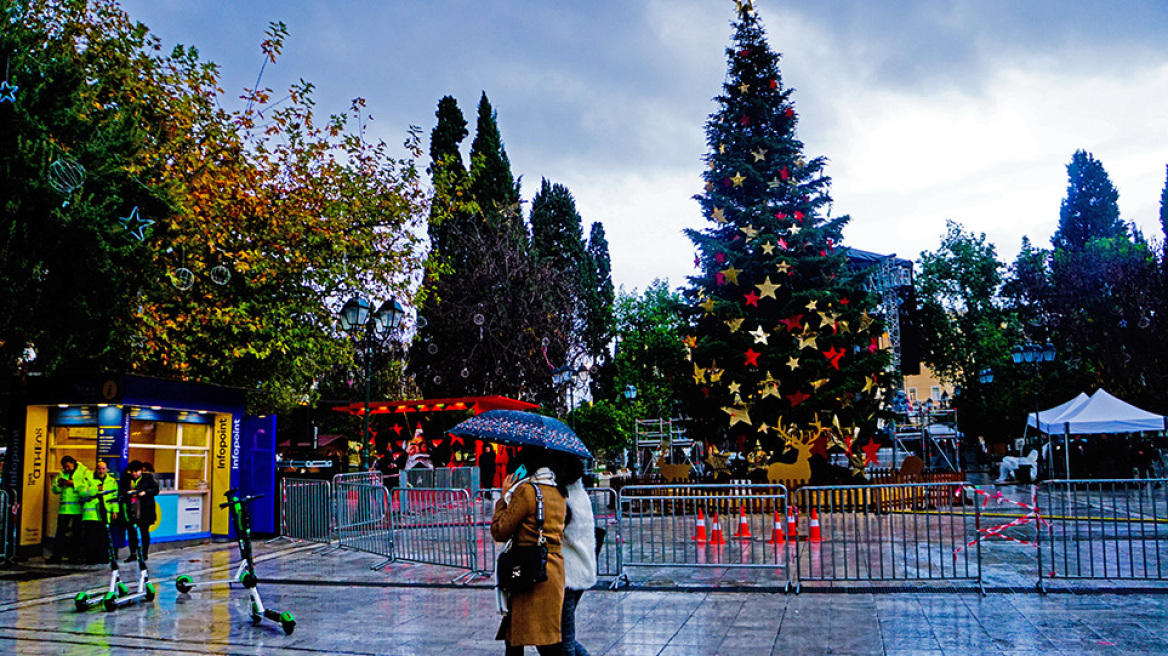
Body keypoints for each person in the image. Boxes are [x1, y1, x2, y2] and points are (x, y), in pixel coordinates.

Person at [491, 446, 566, 655]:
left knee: (518, 637)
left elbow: (500, 531)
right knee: (547, 638)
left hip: (526, 570)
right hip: (552, 570)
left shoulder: (527, 491)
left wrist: (503, 498)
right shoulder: (559, 491)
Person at [550, 452, 596, 656]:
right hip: (581, 569)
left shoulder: (563, 497)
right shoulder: (578, 491)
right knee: (561, 636)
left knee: (563, 639)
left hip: (568, 574)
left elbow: (555, 528)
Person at [47, 455, 91, 563]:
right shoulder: (62, 473)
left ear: (73, 463)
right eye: (64, 467)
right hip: (64, 508)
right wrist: (59, 485)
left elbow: (89, 485)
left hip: (77, 508)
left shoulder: (84, 471)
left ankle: (74, 556)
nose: (66, 469)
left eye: (68, 466)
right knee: (60, 533)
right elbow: (54, 489)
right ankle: (57, 556)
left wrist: (73, 484)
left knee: (76, 534)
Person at [81, 459, 119, 565]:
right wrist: (95, 490)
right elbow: (82, 492)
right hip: (91, 514)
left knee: (104, 538)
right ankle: (91, 559)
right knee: (90, 538)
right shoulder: (89, 479)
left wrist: (115, 511)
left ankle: (103, 557)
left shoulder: (111, 481)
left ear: (107, 469)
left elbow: (114, 497)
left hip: (105, 513)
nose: (101, 471)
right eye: (99, 468)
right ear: (96, 469)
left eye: (103, 468)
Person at [123, 460, 159, 562]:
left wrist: (145, 492)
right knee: (131, 532)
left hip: (145, 510)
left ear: (141, 471)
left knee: (144, 532)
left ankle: (144, 553)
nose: (135, 474)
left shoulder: (147, 479)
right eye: (132, 472)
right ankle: (133, 553)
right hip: (132, 509)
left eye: (137, 471)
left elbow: (155, 490)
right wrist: (128, 494)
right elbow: (122, 492)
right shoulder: (127, 479)